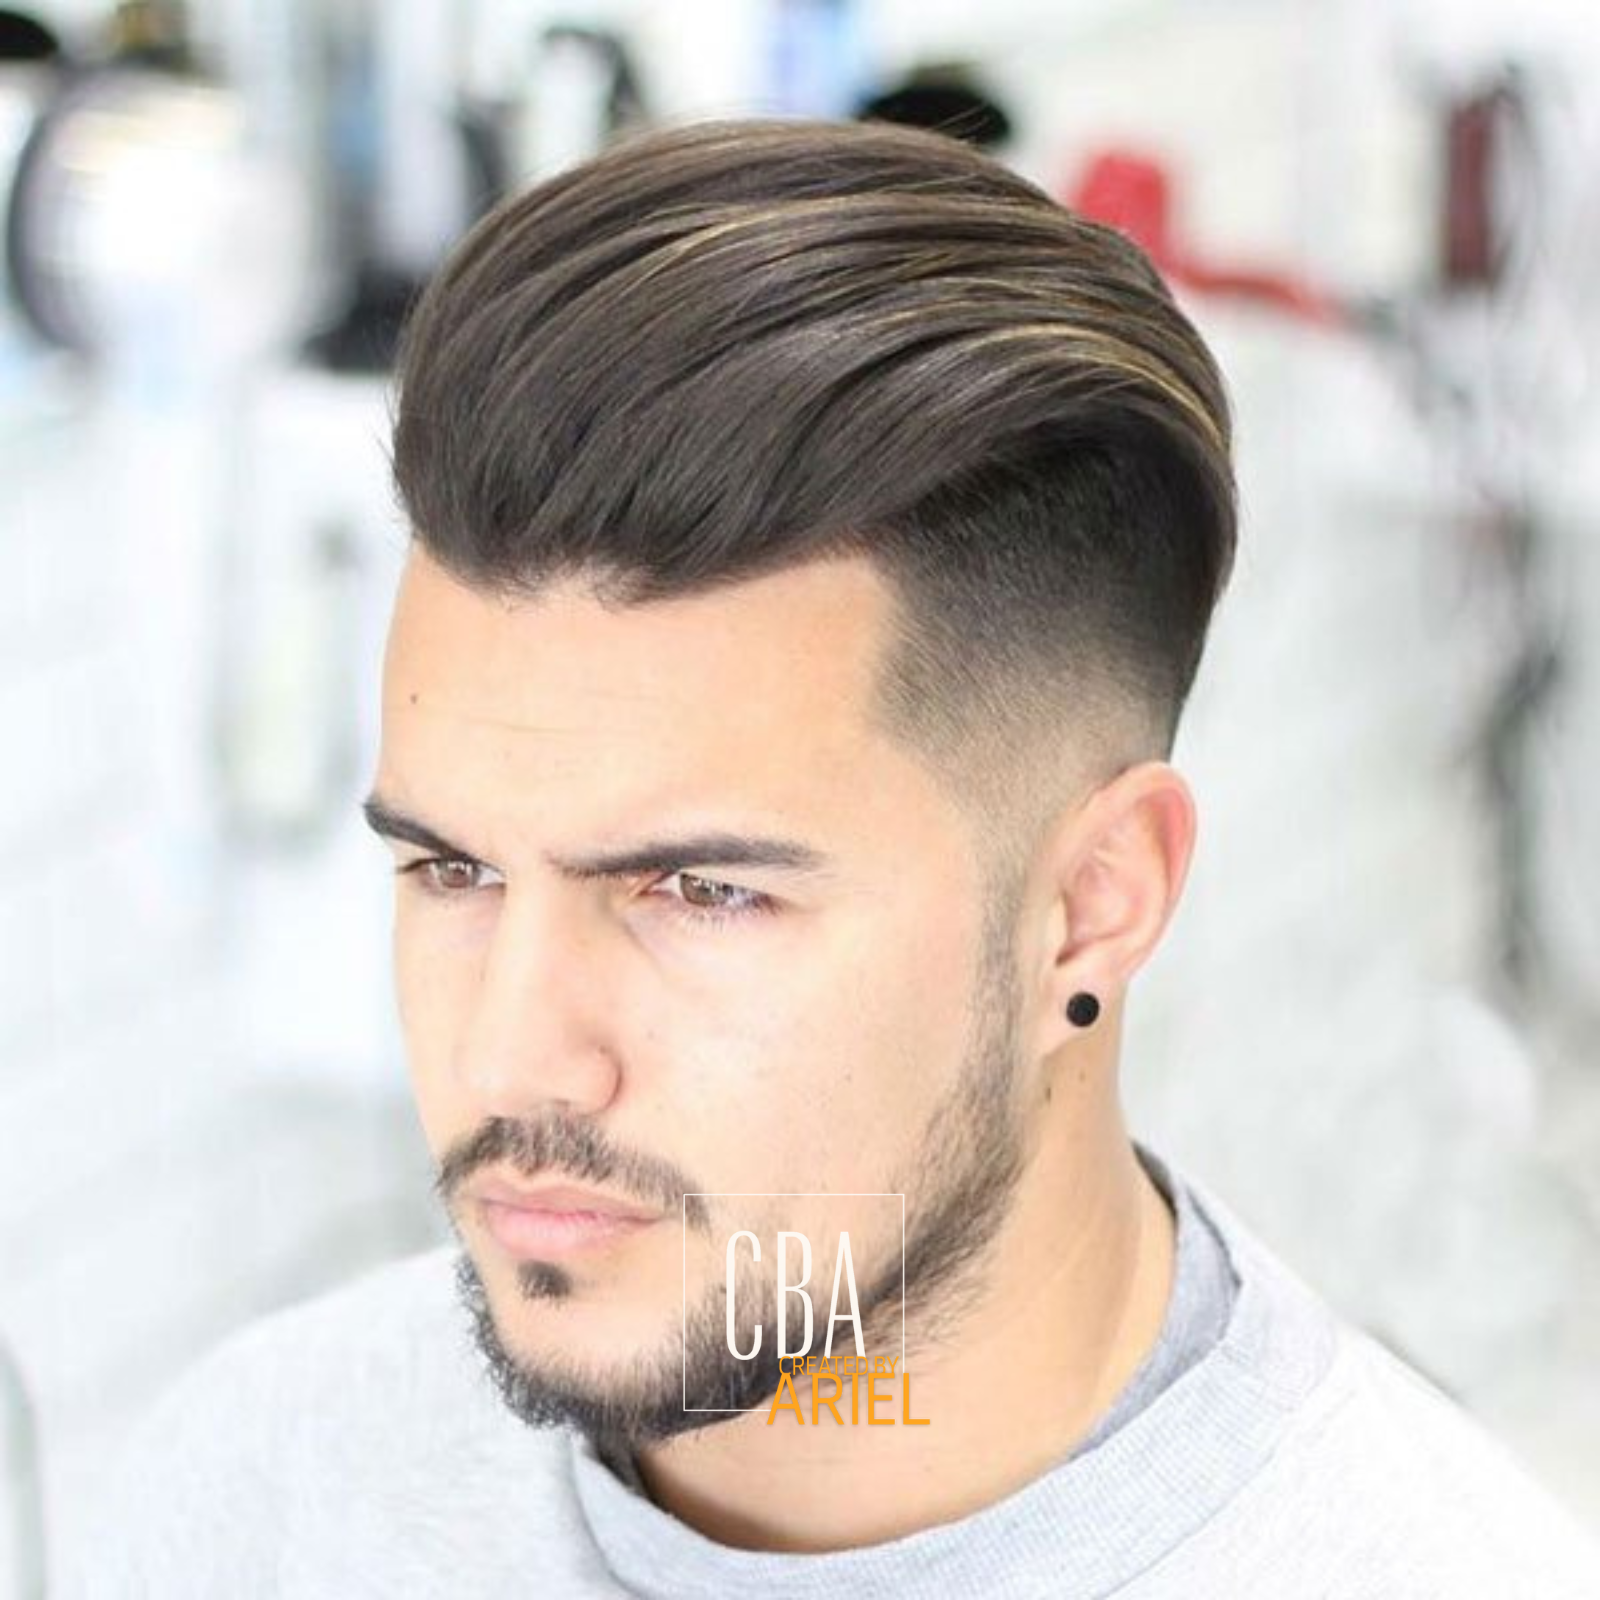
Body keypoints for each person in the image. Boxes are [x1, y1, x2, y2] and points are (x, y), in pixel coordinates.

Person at [70, 116, 1600, 1599]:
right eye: (454, 872)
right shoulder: (261, 1491)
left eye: (702, 892)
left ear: (1092, 906)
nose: (516, 1054)